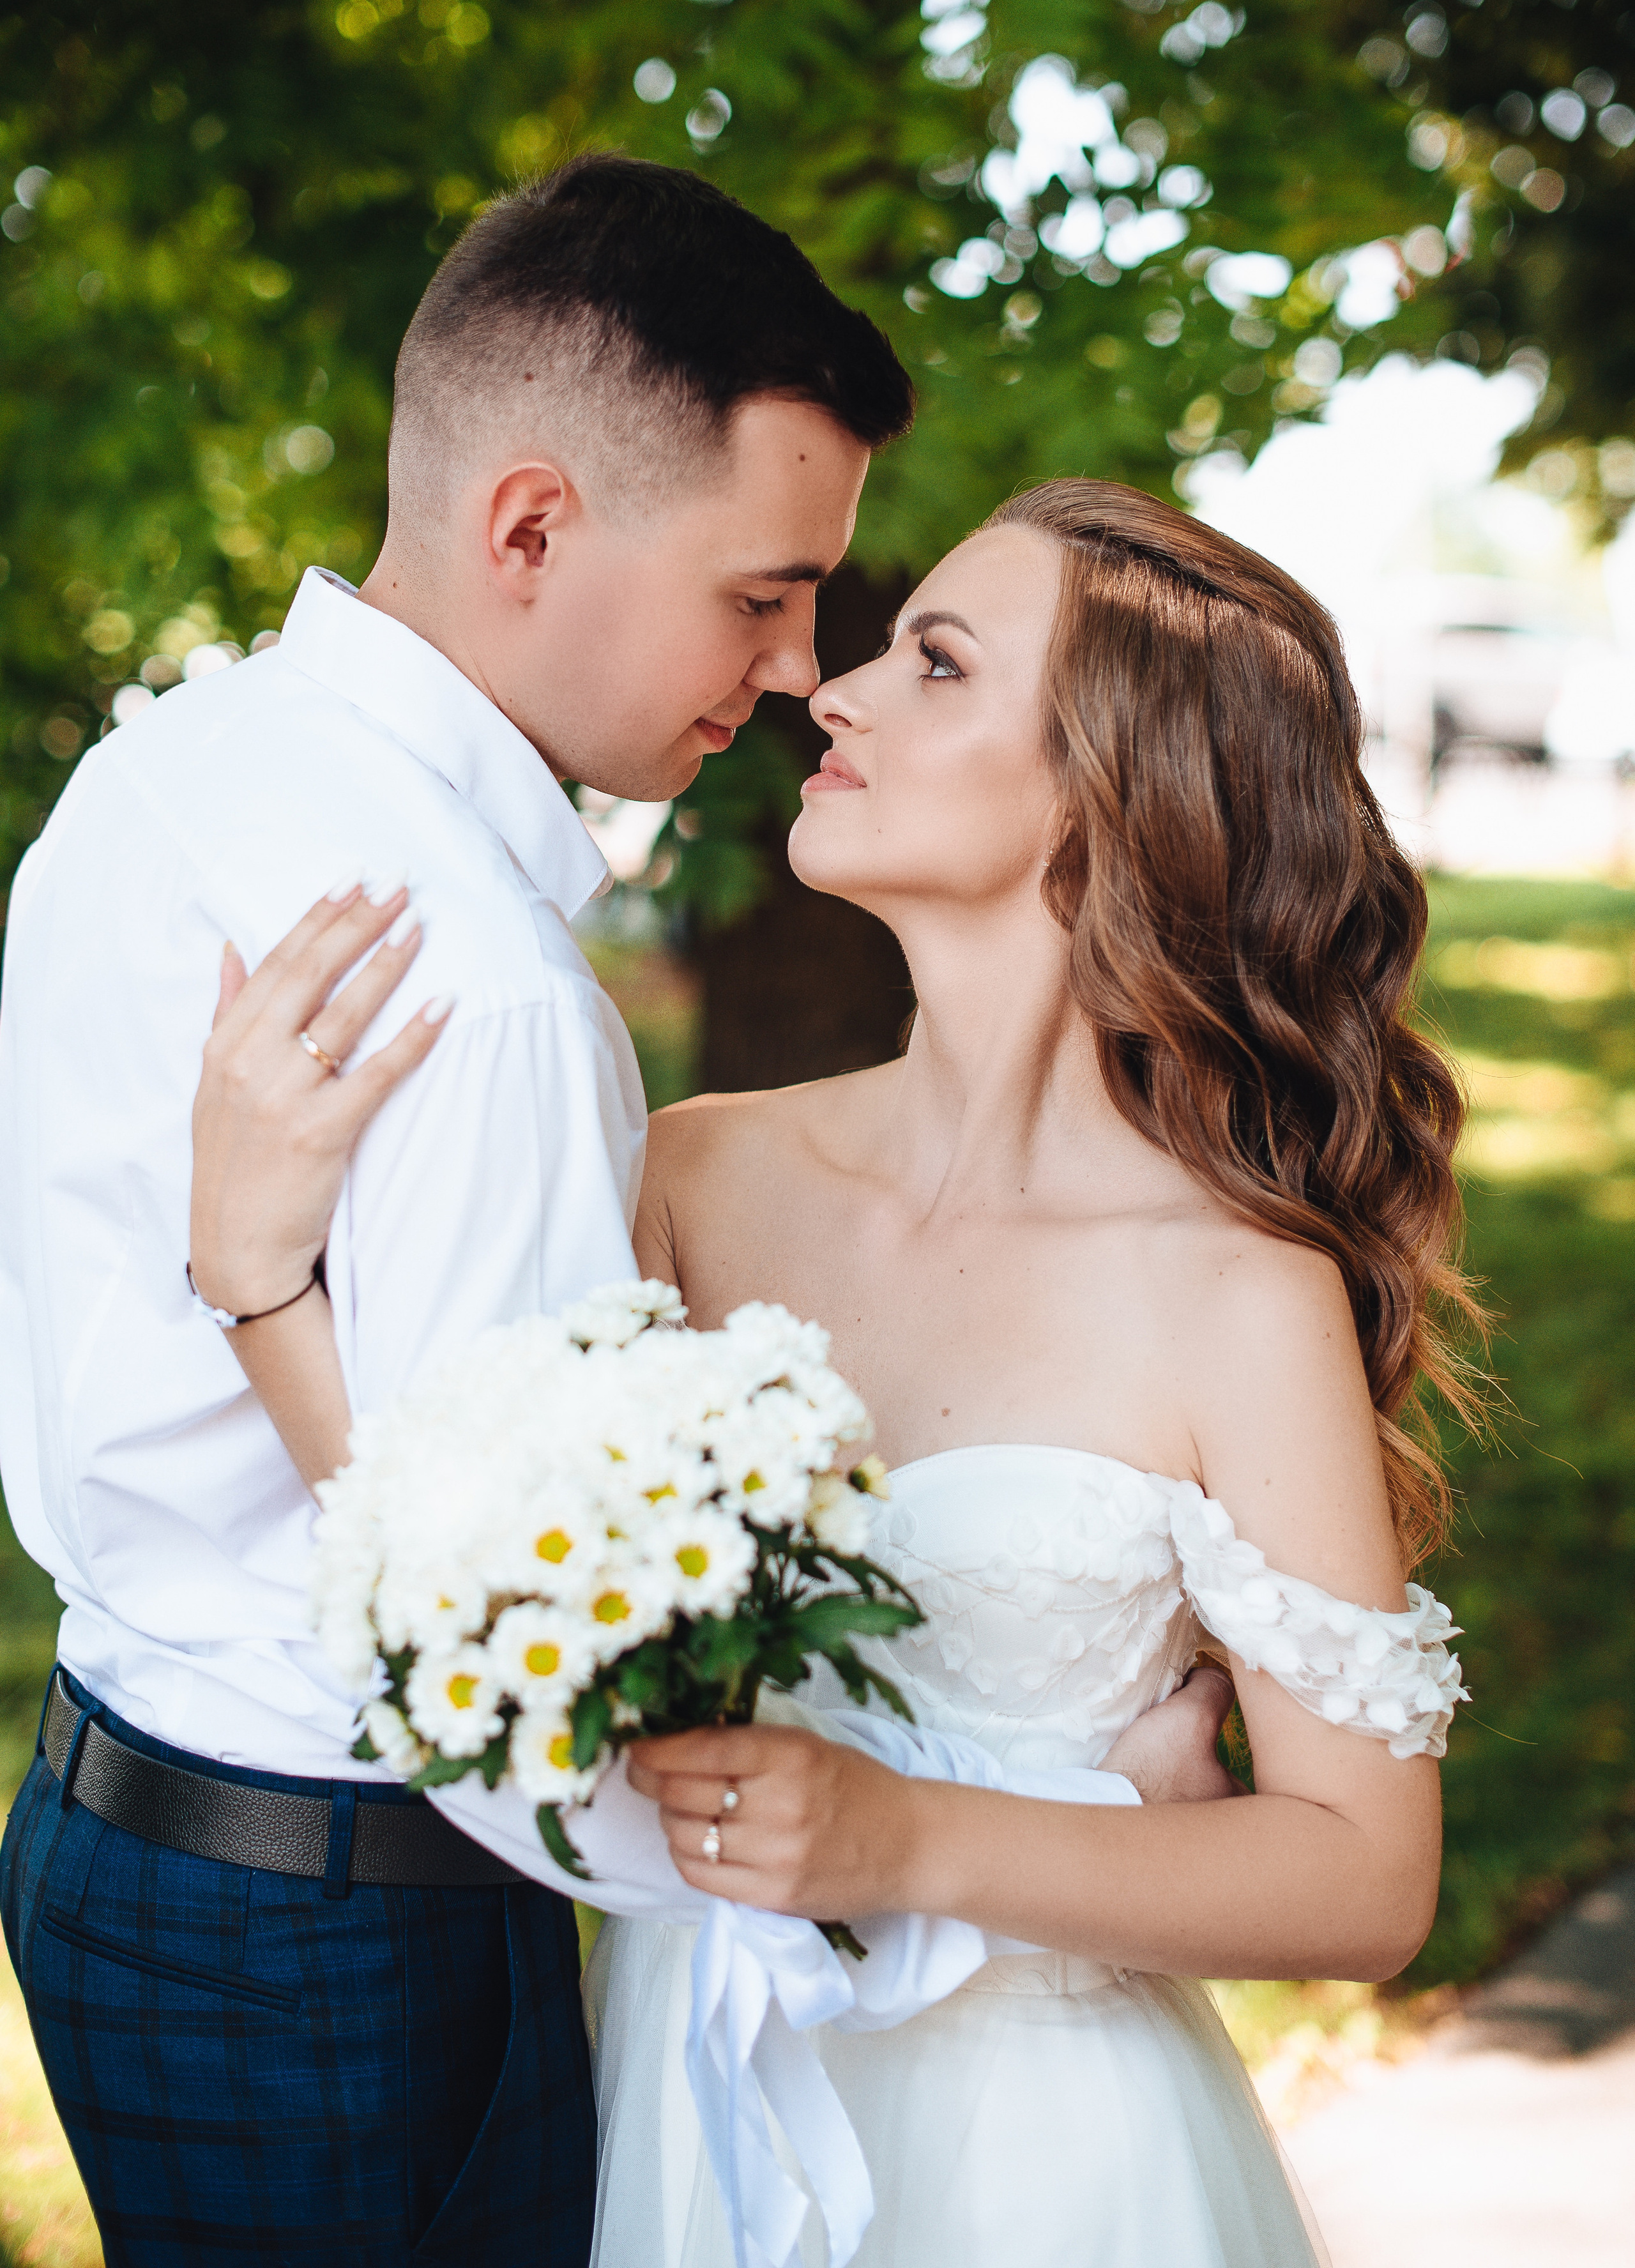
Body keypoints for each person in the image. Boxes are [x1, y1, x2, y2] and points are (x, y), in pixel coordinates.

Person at [171, 479, 1479, 2266]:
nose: (834, 689)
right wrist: (258, 1291)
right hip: (691, 2116)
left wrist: (915, 1838)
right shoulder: (693, 1174)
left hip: (1050, 2171)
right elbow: (470, 1591)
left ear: (1112, 790)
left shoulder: (1239, 1293)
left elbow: (1368, 1877)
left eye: (935, 662)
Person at [0, 153, 920, 2268]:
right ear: (531, 527)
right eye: (762, 595)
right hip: (349, 1929)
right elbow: (516, 1664)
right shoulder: (480, 988)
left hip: (112, 1817)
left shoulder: (166, 771)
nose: (799, 667)